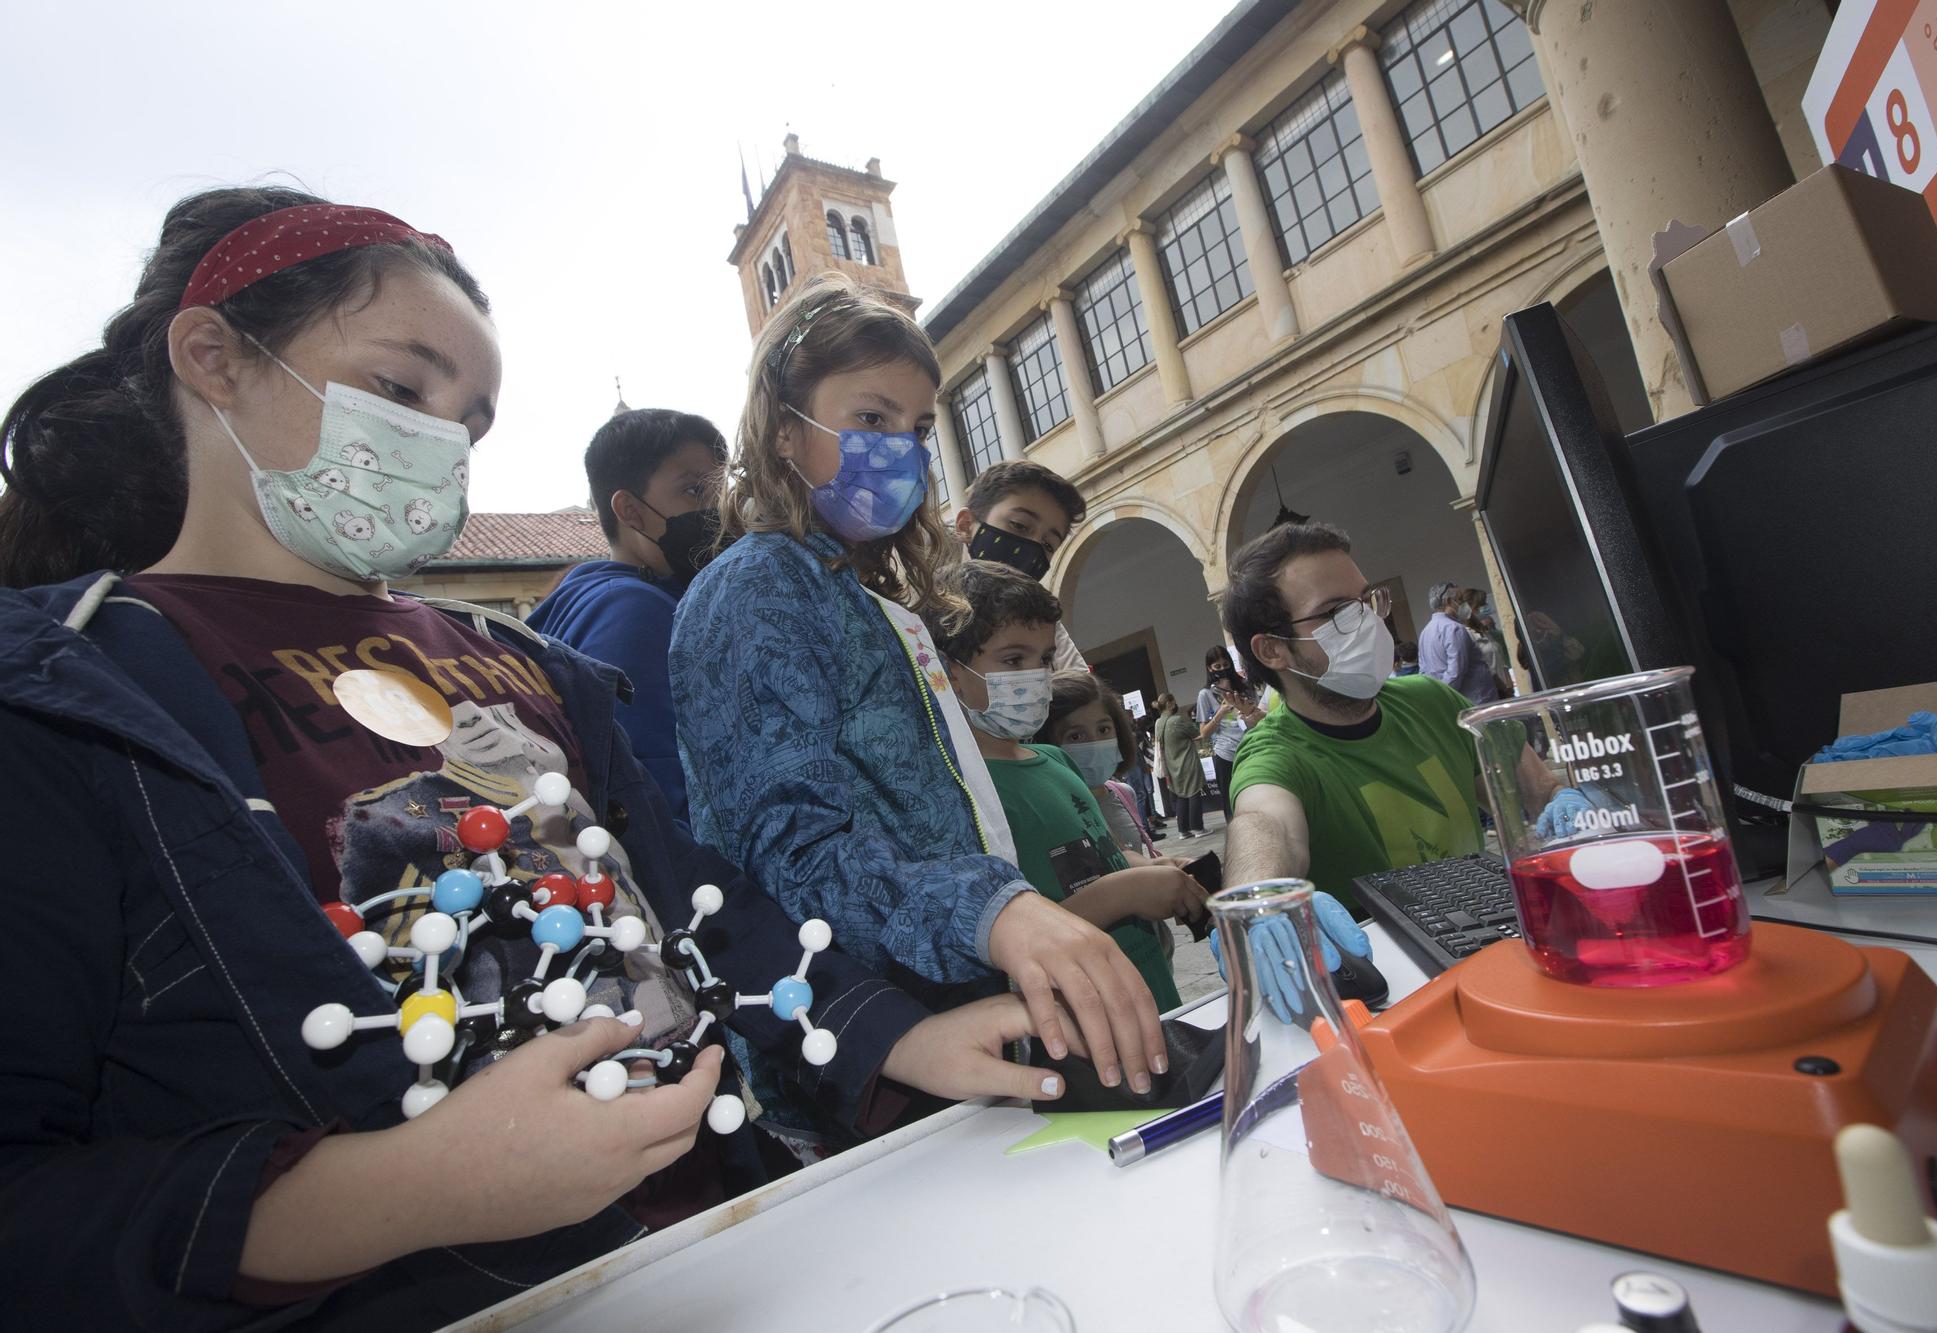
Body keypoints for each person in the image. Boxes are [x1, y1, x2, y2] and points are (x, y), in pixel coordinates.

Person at [0, 188, 1069, 1330]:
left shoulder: (529, 667)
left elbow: (698, 906)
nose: (434, 441)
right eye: (400, 390)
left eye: (467, 423)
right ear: (215, 356)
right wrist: (390, 1193)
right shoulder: (72, 699)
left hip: (719, 1249)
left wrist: (889, 1029)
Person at [670, 273, 1168, 1134]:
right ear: (788, 431)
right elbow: (790, 843)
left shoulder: (860, 595)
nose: (900, 447)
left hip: (948, 1017)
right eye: (869, 419)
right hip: (860, 1054)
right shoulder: (755, 590)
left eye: (918, 427)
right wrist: (991, 911)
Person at [1221, 523, 1555, 914]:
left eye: (1365, 600)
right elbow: (1265, 823)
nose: (1367, 621)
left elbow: (1541, 791)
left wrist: (1568, 804)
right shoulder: (1276, 757)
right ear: (1273, 650)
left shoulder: (1435, 702)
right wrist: (1257, 905)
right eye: (1336, 612)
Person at [924, 561, 1199, 1011]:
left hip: (1149, 988)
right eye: (1014, 659)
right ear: (948, 671)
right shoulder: (962, 793)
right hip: (1081, 1023)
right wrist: (1124, 895)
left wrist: (1147, 868)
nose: (1035, 676)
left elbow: (1098, 851)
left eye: (1045, 659)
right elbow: (1005, 939)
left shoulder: (1053, 760)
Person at [529, 408, 725, 829]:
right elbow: (652, 796)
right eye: (694, 490)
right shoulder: (638, 613)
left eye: (720, 490)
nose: (718, 509)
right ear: (631, 511)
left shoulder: (587, 597)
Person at [951, 459, 1089, 671]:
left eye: (1048, 545)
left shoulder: (1044, 623)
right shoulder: (920, 599)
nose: (1032, 548)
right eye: (1019, 526)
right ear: (965, 525)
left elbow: (1080, 686)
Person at [1039, 671, 1157, 861]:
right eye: (1075, 736)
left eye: (1103, 730)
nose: (1095, 745)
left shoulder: (1124, 794)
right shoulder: (1045, 810)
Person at [1194, 644, 1265, 820]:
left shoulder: (1245, 686)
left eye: (1225, 665)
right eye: (1217, 667)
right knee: (1231, 802)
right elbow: (1203, 733)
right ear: (1209, 668)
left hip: (1251, 748)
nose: (1222, 669)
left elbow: (1259, 714)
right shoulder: (1205, 694)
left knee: (1258, 796)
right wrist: (1219, 714)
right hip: (1226, 754)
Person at [1417, 580, 1498, 704]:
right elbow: (1456, 672)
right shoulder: (1454, 628)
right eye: (1460, 600)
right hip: (1474, 700)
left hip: (1449, 699)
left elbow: (1424, 671)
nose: (1464, 605)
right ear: (1449, 602)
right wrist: (1445, 696)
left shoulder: (1425, 632)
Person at [1155, 692, 1207, 840]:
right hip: (1187, 762)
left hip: (1171, 764)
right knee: (1193, 793)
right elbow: (1195, 732)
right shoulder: (1177, 720)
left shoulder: (1158, 722)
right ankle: (1198, 828)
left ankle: (1183, 830)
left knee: (1180, 797)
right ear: (1170, 704)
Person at [1459, 586, 1514, 698]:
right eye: (1479, 606)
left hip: (1505, 690)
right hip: (1490, 691)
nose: (1484, 608)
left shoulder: (1483, 630)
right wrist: (1503, 688)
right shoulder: (1466, 634)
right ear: (1469, 609)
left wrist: (1509, 682)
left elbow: (1500, 659)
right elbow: (1486, 666)